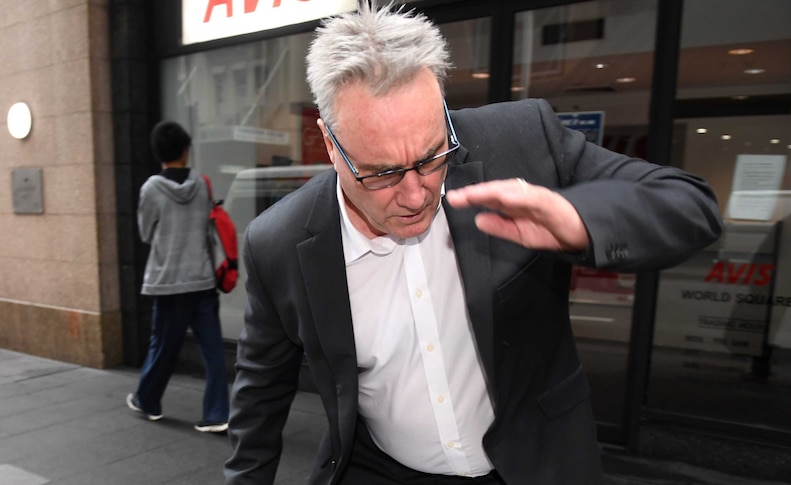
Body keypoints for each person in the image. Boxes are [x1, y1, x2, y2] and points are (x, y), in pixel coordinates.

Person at [225, 2, 722, 484]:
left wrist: (578, 221)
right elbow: (260, 395)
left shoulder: (521, 141)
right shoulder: (279, 242)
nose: (417, 193)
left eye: (432, 155)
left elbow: (690, 206)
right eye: (381, 173)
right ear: (331, 145)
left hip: (535, 464)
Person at [127, 121, 230, 433]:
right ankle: (216, 414)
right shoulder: (201, 185)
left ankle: (148, 401)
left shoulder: (151, 189)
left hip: (169, 281)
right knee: (213, 351)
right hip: (202, 280)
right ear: (186, 151)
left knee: (163, 347)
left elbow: (146, 233)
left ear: (159, 153)